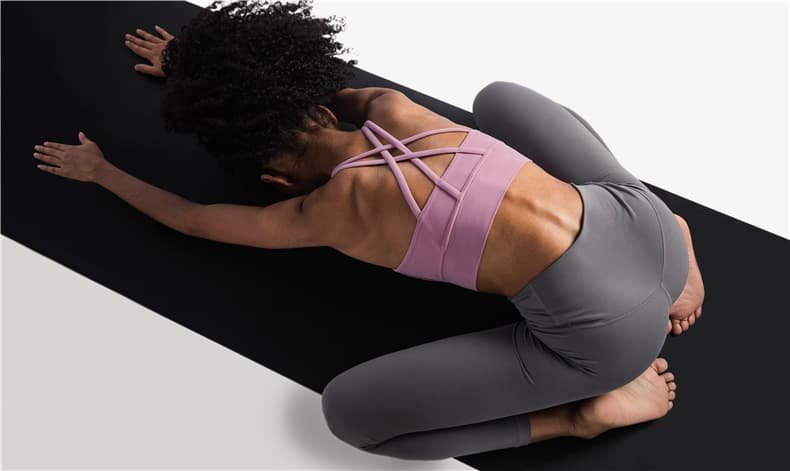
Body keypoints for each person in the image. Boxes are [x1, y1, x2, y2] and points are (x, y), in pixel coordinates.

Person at [33, 0, 705, 460]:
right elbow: (297, 92)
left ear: (275, 180)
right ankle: (679, 253)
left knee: (352, 419)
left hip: (610, 344)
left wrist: (103, 173)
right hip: (643, 224)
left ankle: (576, 417)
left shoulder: (325, 211)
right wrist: (193, 65)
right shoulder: (388, 104)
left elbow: (194, 220)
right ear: (319, 106)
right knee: (497, 98)